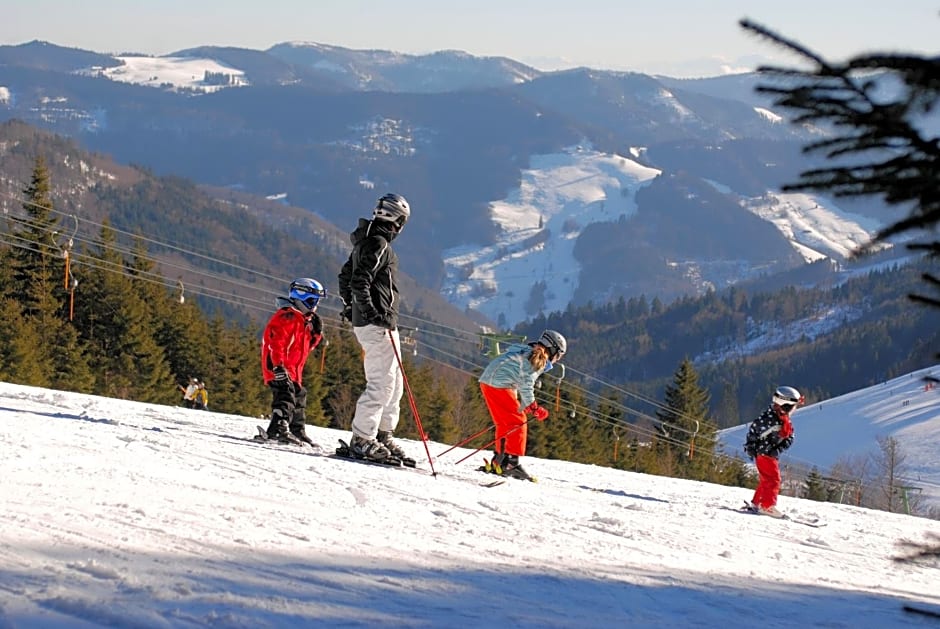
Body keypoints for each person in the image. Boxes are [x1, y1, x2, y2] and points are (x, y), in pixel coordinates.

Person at [337, 193, 414, 465]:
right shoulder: (377, 243)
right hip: (377, 323)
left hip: (382, 323)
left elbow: (345, 276)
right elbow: (359, 280)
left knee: (394, 384)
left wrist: (350, 306)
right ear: (399, 220)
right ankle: (362, 438)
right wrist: (368, 311)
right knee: (381, 383)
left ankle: (382, 434)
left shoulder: (368, 242)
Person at [477, 330, 567, 481]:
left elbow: (516, 376)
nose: (557, 359)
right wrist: (534, 408)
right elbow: (526, 385)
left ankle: (500, 460)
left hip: (489, 382)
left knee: (505, 423)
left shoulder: (527, 351)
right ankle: (511, 463)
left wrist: (525, 405)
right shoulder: (537, 359)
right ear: (552, 350)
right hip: (499, 385)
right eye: (558, 355)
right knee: (518, 423)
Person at [260, 277, 325, 447]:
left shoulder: (304, 321)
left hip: (293, 371)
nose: (314, 307)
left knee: (299, 396)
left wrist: (316, 334)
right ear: (298, 298)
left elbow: (305, 348)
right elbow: (276, 343)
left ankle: (297, 431)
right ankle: (279, 428)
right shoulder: (287, 317)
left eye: (317, 303)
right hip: (278, 368)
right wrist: (278, 366)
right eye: (311, 302)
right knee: (285, 396)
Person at [744, 385, 804, 517]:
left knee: (766, 479)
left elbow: (789, 437)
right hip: (765, 455)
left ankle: (758, 502)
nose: (794, 410)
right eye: (794, 407)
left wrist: (777, 450)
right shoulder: (771, 419)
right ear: (786, 406)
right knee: (773, 480)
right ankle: (767, 506)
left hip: (768, 454)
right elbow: (754, 431)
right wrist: (751, 446)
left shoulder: (781, 419)